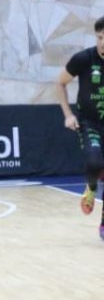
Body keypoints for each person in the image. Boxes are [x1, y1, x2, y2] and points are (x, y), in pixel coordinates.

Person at [55, 17, 104, 240]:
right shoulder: (84, 59)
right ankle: (91, 188)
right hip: (89, 122)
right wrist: (68, 114)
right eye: (100, 38)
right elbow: (60, 83)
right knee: (94, 163)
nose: (102, 43)